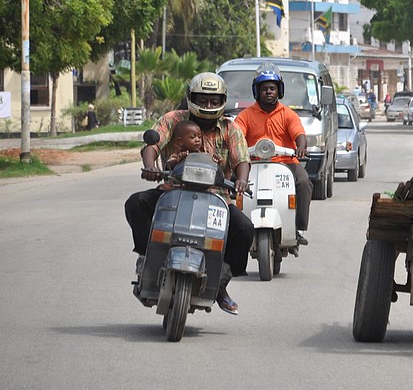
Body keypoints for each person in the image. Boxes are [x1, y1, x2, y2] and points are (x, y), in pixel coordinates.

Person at [125, 72, 253, 315]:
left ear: (222, 101)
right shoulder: (173, 120)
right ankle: (146, 257)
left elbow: (242, 159)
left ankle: (221, 282)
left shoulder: (230, 128)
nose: (208, 105)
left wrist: (242, 180)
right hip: (173, 191)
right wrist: (151, 166)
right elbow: (151, 146)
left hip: (216, 198)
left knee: (245, 230)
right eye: (202, 99)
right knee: (136, 203)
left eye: (214, 101)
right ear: (191, 98)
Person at [234, 64, 314, 246]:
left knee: (304, 182)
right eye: (264, 89)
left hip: (286, 163)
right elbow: (236, 135)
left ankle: (297, 228)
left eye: (272, 88)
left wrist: (301, 147)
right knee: (231, 185)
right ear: (257, 91)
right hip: (253, 163)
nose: (268, 92)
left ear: (279, 90)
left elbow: (299, 135)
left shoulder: (288, 114)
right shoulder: (246, 115)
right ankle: (236, 230)